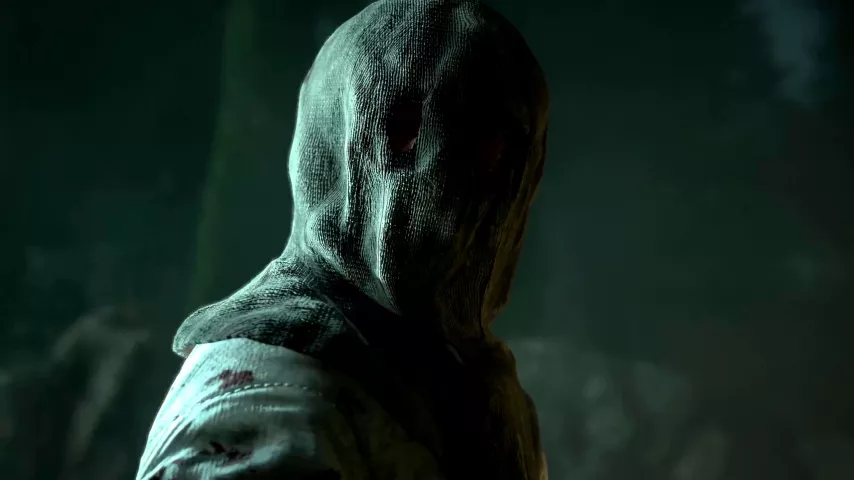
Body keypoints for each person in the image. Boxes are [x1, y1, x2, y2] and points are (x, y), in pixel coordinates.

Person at [136, 0, 550, 478]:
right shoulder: (262, 395)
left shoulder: (476, 391)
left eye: (504, 150)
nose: (477, 172)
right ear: (348, 132)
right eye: (406, 126)